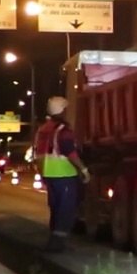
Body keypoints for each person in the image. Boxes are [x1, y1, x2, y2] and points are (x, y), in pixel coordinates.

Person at [34, 96, 90, 253]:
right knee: (66, 209)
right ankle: (56, 244)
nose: (67, 112)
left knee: (56, 208)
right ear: (61, 111)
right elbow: (70, 152)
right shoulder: (63, 131)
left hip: (49, 174)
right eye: (65, 109)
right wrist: (83, 169)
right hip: (64, 175)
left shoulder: (42, 129)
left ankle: (54, 240)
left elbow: (38, 154)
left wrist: (42, 173)